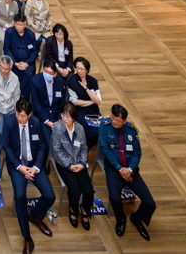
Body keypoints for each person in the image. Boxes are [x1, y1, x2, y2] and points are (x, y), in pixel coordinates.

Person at [0, 97, 56, 254]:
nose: (20, 118)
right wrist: (20, 167)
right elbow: (6, 147)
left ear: (29, 115)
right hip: (17, 165)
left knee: (49, 196)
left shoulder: (36, 123)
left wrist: (36, 168)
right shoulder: (9, 122)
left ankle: (36, 215)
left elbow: (42, 147)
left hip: (34, 165)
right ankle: (27, 239)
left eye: (23, 116)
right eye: (18, 114)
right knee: (20, 197)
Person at [98, 103, 156, 240]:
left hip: (130, 170)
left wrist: (129, 170)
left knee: (150, 203)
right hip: (114, 169)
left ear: (124, 121)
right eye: (113, 118)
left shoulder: (131, 130)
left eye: (118, 120)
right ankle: (121, 219)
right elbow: (105, 149)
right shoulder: (105, 126)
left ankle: (137, 218)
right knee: (114, 198)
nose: (114, 122)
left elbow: (137, 153)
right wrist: (120, 169)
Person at [50, 102, 94, 229]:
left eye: (68, 116)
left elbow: (84, 148)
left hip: (79, 163)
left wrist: (82, 163)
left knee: (88, 190)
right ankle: (73, 210)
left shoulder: (80, 128)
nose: (64, 118)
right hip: (64, 164)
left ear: (74, 118)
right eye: (63, 115)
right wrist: (69, 165)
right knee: (75, 190)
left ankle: (85, 211)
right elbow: (56, 150)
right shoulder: (58, 128)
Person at [29, 58, 68, 148]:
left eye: (50, 73)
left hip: (56, 116)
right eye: (45, 71)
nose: (47, 74)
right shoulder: (35, 80)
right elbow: (36, 103)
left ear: (55, 74)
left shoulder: (59, 82)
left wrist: (59, 120)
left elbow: (62, 103)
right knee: (49, 142)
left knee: (64, 140)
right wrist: (47, 121)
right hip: (42, 116)